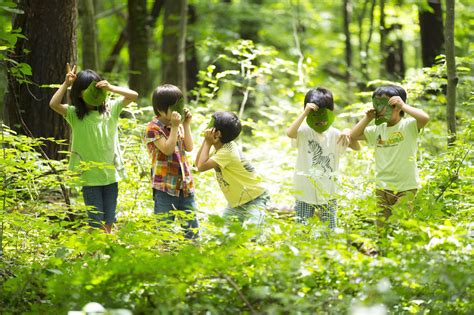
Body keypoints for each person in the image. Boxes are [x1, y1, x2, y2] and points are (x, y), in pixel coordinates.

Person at [49, 64, 138, 232]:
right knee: (95, 221)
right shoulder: (75, 114)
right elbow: (53, 104)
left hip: (110, 175)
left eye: (96, 89)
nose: (93, 94)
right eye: (87, 90)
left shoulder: (111, 109)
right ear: (79, 94)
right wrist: (66, 84)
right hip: (89, 177)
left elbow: (134, 95)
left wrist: (111, 87)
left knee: (110, 219)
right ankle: (94, 253)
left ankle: (105, 252)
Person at [349, 84, 429, 226]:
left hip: (406, 187)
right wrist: (367, 118)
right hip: (382, 187)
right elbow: (353, 135)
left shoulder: (408, 126)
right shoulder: (377, 130)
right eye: (376, 104)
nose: (380, 109)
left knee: (401, 226)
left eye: (384, 104)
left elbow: (424, 118)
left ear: (396, 106)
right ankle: (381, 248)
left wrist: (403, 105)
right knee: (382, 228)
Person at [286, 87, 360, 230]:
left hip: (329, 191)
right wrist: (305, 113)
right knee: (302, 230)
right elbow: (290, 133)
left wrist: (348, 132)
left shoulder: (335, 134)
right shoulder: (303, 132)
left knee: (329, 230)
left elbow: (357, 147)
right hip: (305, 190)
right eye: (314, 113)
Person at [144, 84, 198, 239]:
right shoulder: (152, 128)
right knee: (164, 232)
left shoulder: (178, 124)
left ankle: (194, 257)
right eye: (175, 106)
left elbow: (189, 147)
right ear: (161, 110)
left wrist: (185, 125)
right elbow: (167, 149)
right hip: (164, 187)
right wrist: (174, 127)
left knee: (192, 231)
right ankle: (164, 259)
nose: (178, 110)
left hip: (185, 185)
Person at [195, 111, 268, 226]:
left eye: (211, 126)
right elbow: (198, 163)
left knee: (251, 234)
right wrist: (206, 141)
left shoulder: (227, 152)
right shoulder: (221, 147)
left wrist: (208, 143)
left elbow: (201, 166)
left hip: (254, 198)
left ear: (217, 133)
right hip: (237, 203)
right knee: (225, 238)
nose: (207, 129)